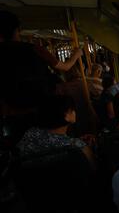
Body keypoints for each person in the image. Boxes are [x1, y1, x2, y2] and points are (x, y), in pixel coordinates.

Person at [0, 11, 83, 143]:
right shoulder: (34, 49)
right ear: (17, 30)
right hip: (41, 106)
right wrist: (76, 54)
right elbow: (65, 67)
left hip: (10, 112)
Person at [17, 95, 95, 167]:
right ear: (66, 115)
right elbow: (93, 169)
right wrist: (87, 147)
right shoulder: (77, 148)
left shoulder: (30, 133)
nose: (75, 112)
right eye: (72, 110)